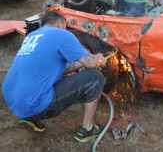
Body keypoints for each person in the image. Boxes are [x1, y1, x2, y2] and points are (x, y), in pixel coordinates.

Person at [2, 11, 109, 143]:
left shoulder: (31, 37)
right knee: (95, 77)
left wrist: (77, 65)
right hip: (33, 104)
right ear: (60, 23)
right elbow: (90, 63)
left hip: (13, 102)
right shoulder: (61, 34)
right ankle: (88, 129)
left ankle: (29, 118)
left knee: (37, 81)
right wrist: (99, 58)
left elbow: (51, 70)